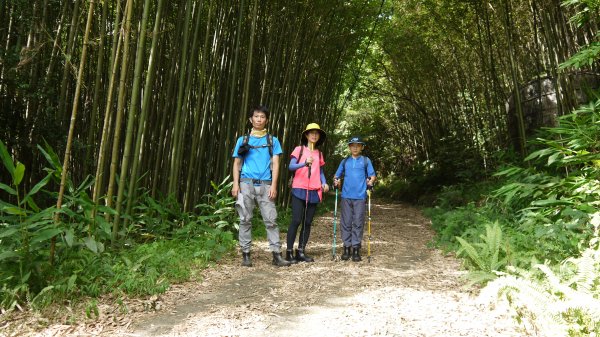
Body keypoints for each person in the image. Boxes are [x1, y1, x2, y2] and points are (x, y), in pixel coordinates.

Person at [232, 105, 290, 267]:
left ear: (267, 120)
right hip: (245, 183)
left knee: (271, 220)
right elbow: (237, 164)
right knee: (245, 219)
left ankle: (276, 255)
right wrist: (235, 184)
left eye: (262, 117)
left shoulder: (272, 140)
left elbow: (276, 164)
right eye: (256, 116)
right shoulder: (243, 140)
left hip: (265, 184)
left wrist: (274, 185)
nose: (259, 119)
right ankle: (246, 254)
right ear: (251, 119)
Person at [285, 123, 330, 263]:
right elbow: (291, 166)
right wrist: (304, 163)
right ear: (306, 135)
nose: (314, 135)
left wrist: (324, 182)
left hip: (314, 190)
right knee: (296, 220)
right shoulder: (299, 149)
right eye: (312, 132)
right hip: (299, 188)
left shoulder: (319, 153)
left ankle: (301, 251)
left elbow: (320, 171)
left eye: (317, 133)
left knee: (308, 222)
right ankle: (288, 252)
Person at [333, 136, 376, 262]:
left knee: (358, 222)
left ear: (362, 147)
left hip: (360, 196)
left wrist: (370, 181)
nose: (355, 147)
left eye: (358, 145)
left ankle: (356, 248)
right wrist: (336, 181)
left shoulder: (366, 160)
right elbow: (337, 175)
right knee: (345, 222)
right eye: (353, 145)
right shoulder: (345, 161)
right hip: (346, 196)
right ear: (349, 147)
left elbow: (372, 176)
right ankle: (347, 247)